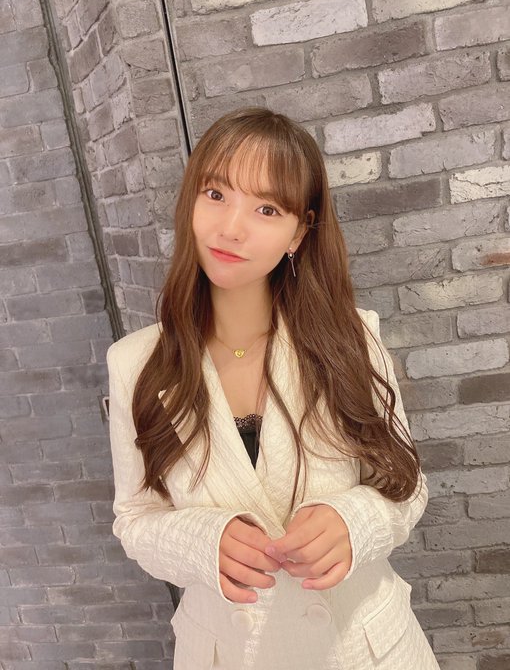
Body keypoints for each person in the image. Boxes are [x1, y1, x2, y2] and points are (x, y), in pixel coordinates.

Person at [106, 107, 440, 670]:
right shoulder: (135, 364)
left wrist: (354, 522)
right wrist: (201, 542)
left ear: (299, 232)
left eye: (266, 209)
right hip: (226, 652)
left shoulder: (351, 339)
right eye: (216, 194)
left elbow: (406, 485)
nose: (231, 227)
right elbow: (135, 517)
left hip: (366, 649)